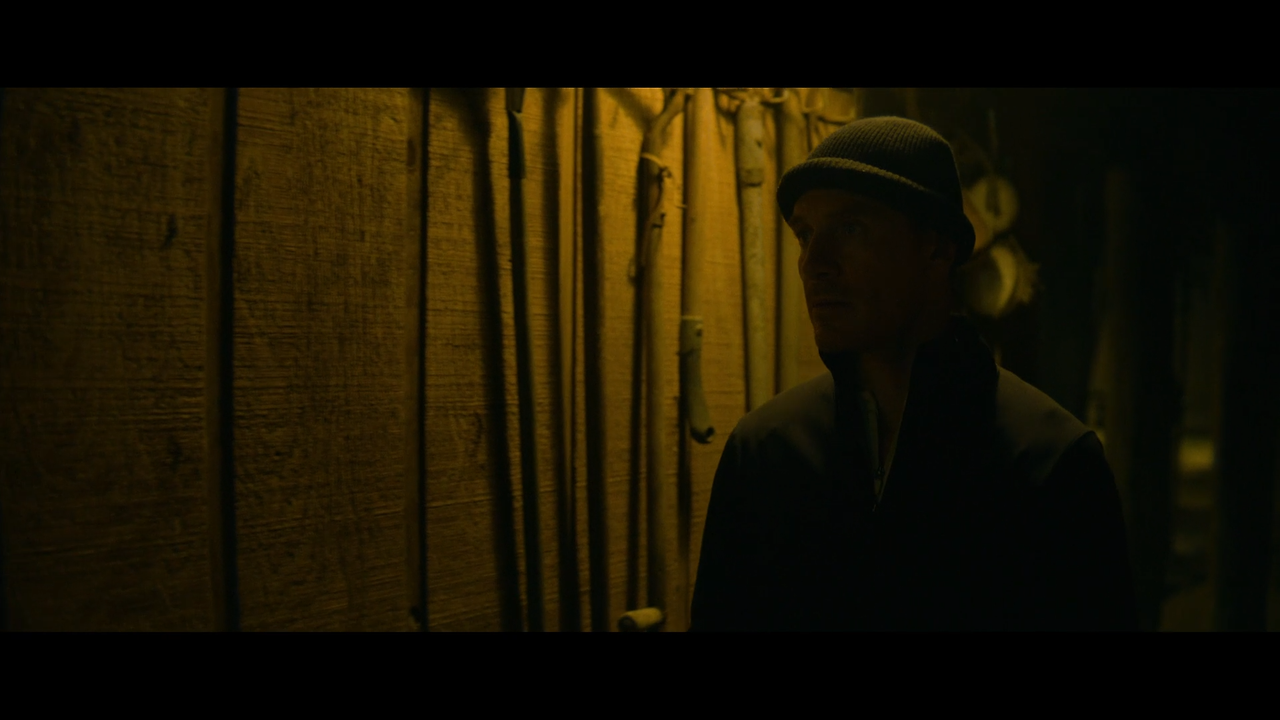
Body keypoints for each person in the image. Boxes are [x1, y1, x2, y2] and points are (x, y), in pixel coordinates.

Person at [688, 116, 1138, 631]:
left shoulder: (1050, 463)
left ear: (937, 248)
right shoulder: (765, 451)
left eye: (850, 229)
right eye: (805, 234)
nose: (815, 263)